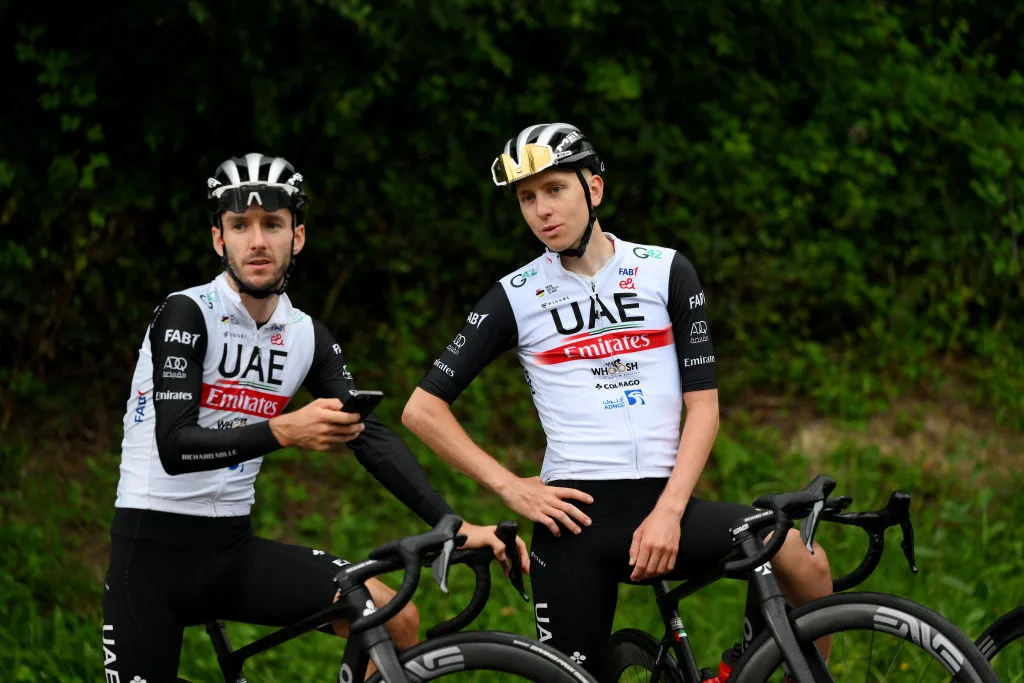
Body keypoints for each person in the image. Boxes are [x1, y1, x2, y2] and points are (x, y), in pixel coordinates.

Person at [402, 123, 834, 674]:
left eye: (554, 189)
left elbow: (703, 406)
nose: (541, 211)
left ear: (594, 189)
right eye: (527, 198)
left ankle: (741, 670)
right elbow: (422, 408)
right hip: (574, 525)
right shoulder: (515, 295)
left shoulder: (666, 271)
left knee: (802, 560)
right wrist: (511, 488)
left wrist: (669, 512)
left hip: (665, 505)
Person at [102, 153, 526, 683]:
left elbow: (366, 433)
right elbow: (175, 445)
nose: (257, 241)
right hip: (151, 557)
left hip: (231, 552)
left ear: (296, 237)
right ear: (219, 240)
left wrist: (452, 526)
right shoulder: (186, 313)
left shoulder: (304, 334)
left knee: (393, 618)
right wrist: (284, 430)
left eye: (272, 225)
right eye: (240, 226)